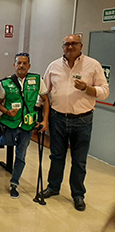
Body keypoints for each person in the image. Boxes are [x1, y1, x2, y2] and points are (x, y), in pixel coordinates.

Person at [41, 34, 109, 211]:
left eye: (74, 44)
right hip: (58, 119)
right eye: (67, 44)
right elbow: (44, 92)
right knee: (56, 156)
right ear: (62, 47)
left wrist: (87, 88)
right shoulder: (53, 66)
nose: (70, 47)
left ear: (81, 46)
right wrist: (39, 114)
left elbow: (104, 91)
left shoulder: (93, 65)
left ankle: (78, 194)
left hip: (82, 120)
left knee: (79, 160)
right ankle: (53, 187)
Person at [0, 52, 49, 199]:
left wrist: (45, 121)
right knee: (2, 143)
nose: (21, 66)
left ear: (29, 65)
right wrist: (7, 111)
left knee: (21, 155)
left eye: (25, 63)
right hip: (10, 123)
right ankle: (6, 164)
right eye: (19, 63)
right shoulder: (4, 83)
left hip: (27, 125)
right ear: (14, 65)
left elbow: (45, 100)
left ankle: (14, 183)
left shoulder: (37, 80)